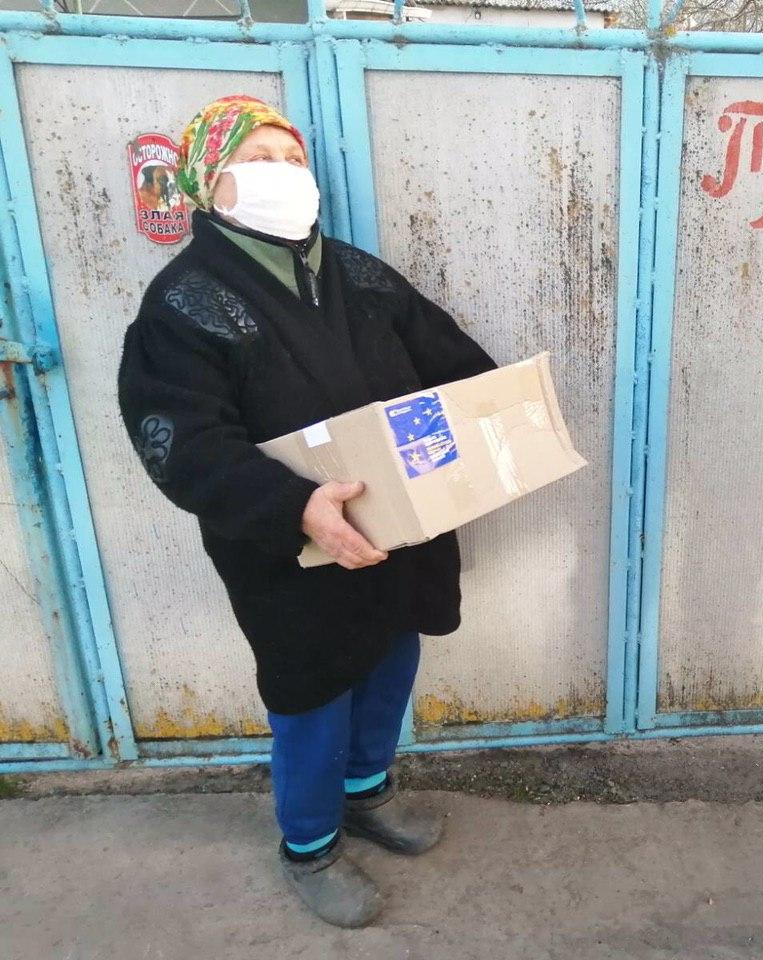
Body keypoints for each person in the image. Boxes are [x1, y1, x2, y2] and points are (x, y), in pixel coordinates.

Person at [118, 95, 496, 928]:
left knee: (391, 654)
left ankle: (367, 793)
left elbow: (454, 364)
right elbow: (180, 440)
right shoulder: (182, 303)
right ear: (208, 181)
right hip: (289, 547)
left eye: (292, 159)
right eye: (258, 159)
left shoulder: (358, 274)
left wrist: (492, 428)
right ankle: (311, 843)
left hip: (397, 524)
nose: (283, 174)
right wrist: (296, 507)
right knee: (313, 689)